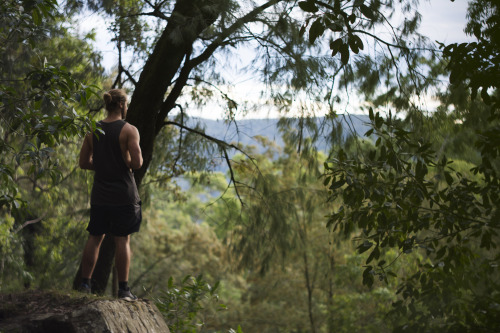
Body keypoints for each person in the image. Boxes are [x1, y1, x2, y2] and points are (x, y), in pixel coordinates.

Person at [78, 89, 143, 301]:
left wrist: (102, 165)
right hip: (123, 195)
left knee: (95, 237)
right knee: (122, 240)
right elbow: (137, 162)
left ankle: (85, 285)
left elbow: (83, 163)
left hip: (100, 195)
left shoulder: (92, 130)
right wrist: (123, 164)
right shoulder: (129, 130)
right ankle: (124, 290)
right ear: (122, 105)